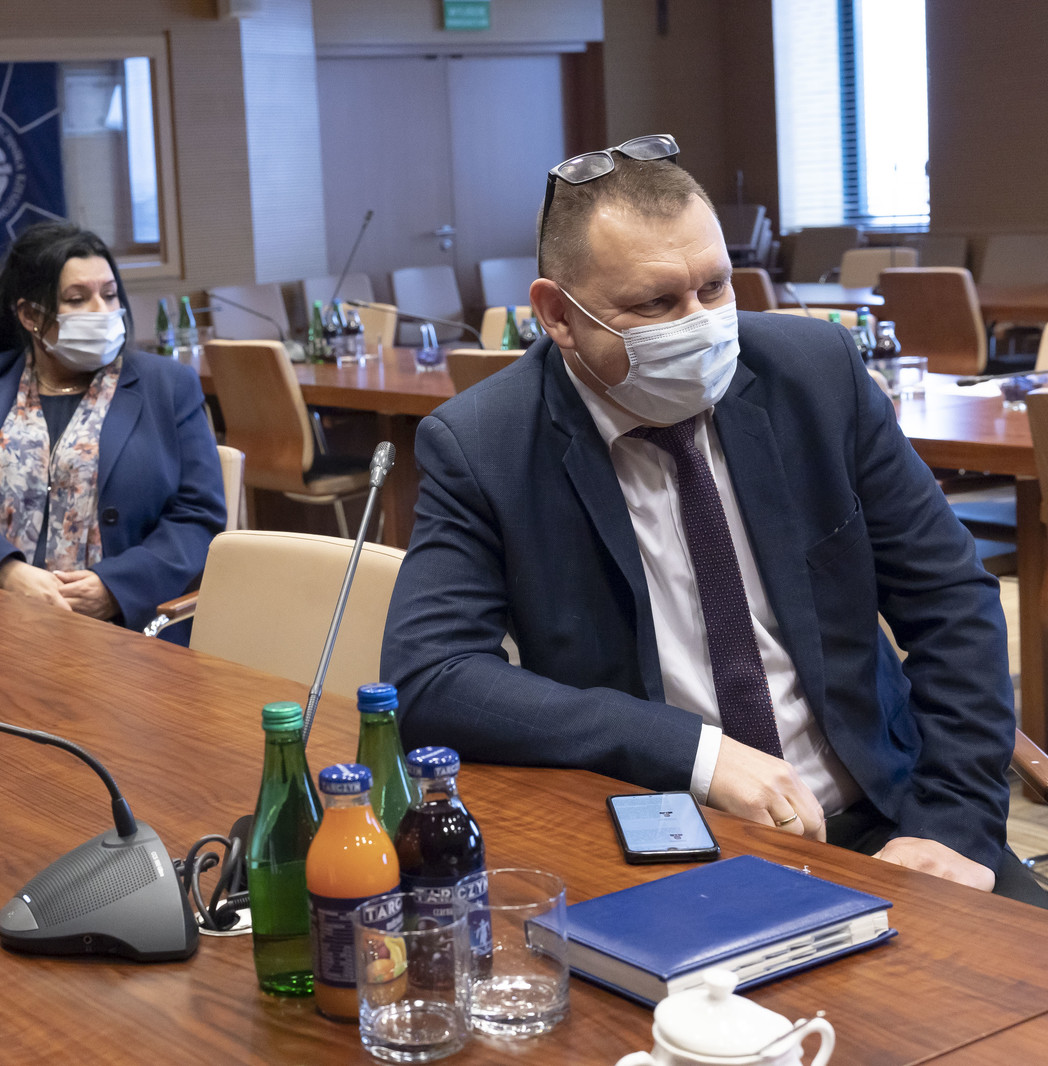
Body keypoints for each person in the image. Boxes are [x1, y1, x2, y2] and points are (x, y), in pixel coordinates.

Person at [381, 135, 1046, 906]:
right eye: (656, 304)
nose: (699, 324)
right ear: (558, 314)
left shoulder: (816, 375)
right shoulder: (485, 444)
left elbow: (951, 603)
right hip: (667, 840)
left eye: (714, 287)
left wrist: (952, 824)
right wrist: (695, 754)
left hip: (885, 818)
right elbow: (429, 679)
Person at [0, 222, 225, 637]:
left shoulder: (167, 386)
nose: (102, 310)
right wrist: (5, 571)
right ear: (30, 316)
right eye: (77, 299)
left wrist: (114, 588)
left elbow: (199, 515)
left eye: (109, 294)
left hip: (126, 633)